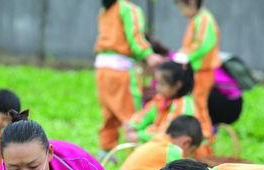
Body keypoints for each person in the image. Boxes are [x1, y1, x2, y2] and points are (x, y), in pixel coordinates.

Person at [94, 0, 163, 157]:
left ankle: (105, 153)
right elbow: (135, 36)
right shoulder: (129, 9)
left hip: (102, 69)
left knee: (109, 114)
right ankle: (137, 155)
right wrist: (149, 55)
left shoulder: (105, 9)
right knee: (132, 115)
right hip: (121, 69)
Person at [173, 0, 220, 155]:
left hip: (202, 71)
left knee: (199, 107)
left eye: (182, 7)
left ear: (192, 3)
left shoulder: (204, 19)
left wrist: (187, 56)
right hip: (196, 71)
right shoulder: (197, 20)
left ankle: (205, 144)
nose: (182, 12)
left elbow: (204, 45)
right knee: (196, 106)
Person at [114, 115, 202, 170]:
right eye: (190, 152)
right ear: (186, 143)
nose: (186, 156)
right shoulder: (173, 151)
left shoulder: (155, 142)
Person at [124, 61, 195, 144]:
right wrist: (132, 125)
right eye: (156, 82)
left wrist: (140, 135)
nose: (157, 87)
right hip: (160, 142)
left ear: (177, 85)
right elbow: (145, 114)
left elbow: (169, 133)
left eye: (162, 84)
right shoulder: (162, 98)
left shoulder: (183, 104)